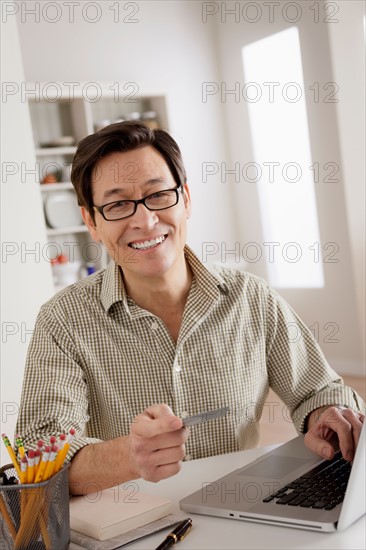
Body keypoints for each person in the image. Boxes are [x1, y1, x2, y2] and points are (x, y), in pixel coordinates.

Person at [16, 122, 365, 495]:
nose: (144, 220)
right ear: (91, 222)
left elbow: (319, 391)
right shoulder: (62, 321)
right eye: (118, 204)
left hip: (243, 510)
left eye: (158, 195)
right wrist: (129, 457)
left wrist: (326, 415)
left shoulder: (253, 299)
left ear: (185, 199)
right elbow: (39, 455)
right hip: (131, 528)